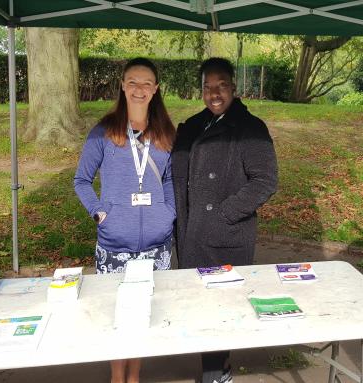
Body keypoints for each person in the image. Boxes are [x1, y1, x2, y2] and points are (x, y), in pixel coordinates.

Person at [171, 57, 278, 383]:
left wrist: (224, 215)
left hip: (224, 234)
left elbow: (265, 180)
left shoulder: (250, 129)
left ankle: (217, 374)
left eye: (221, 86)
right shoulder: (193, 125)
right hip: (192, 232)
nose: (214, 93)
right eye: (207, 87)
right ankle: (213, 369)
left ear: (233, 87)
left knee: (220, 307)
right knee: (201, 305)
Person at [74, 57, 176, 383]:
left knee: (143, 315)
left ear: (156, 89)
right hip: (115, 246)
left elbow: (172, 179)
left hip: (156, 249)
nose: (139, 89)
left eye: (146, 83)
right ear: (122, 85)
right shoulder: (103, 133)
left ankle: (134, 378)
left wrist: (168, 212)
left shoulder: (165, 135)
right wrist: (101, 213)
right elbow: (81, 180)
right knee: (118, 317)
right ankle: (118, 378)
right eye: (132, 82)